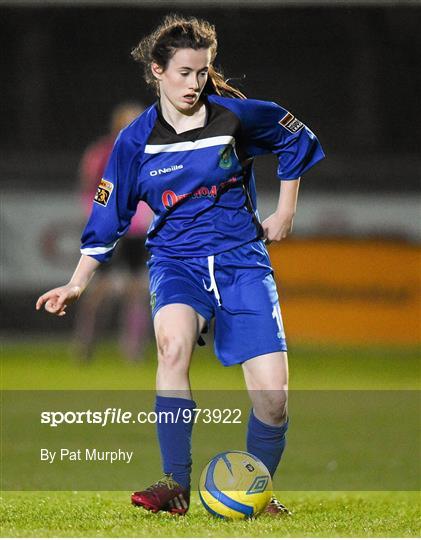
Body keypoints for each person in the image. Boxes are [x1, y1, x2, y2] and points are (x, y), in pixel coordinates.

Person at [36, 14, 324, 516]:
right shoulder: (133, 142)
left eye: (201, 72)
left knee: (273, 401)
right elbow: (106, 220)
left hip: (242, 264)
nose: (194, 83)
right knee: (171, 349)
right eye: (184, 73)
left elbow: (295, 138)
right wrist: (76, 283)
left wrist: (286, 209)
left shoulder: (234, 117)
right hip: (176, 264)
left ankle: (255, 490)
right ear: (157, 71)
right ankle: (175, 485)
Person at [74, 102, 154, 361]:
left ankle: (133, 349)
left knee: (138, 289)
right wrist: (103, 213)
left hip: (137, 230)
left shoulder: (147, 153)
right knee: (101, 288)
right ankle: (85, 343)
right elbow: (94, 188)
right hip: (110, 229)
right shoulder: (102, 153)